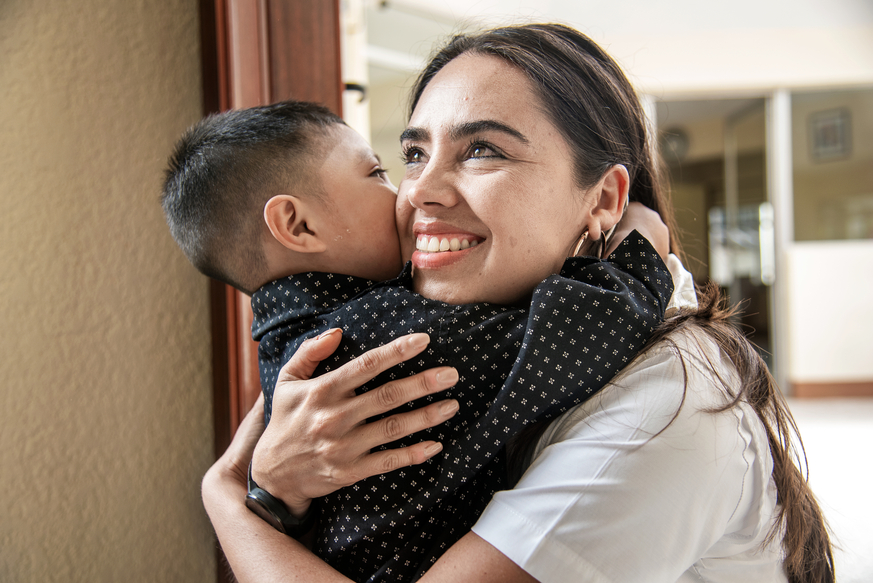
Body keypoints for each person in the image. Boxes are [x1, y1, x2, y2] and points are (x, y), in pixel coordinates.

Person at [200, 23, 835, 583]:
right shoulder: (385, 331)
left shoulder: (666, 408)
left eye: (483, 150)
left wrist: (229, 498)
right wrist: (276, 492)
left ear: (604, 200)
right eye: (414, 153)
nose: (420, 190)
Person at [162, 101, 674, 579]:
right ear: (297, 225)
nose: (410, 193)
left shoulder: (290, 340)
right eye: (383, 170)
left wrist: (233, 493)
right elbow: (577, 336)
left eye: (481, 151)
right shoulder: (373, 338)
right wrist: (642, 249)